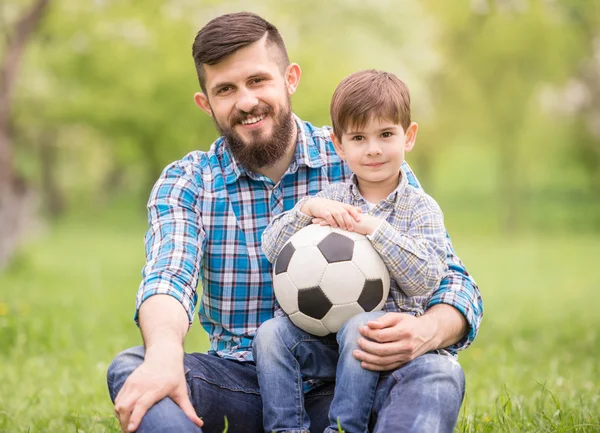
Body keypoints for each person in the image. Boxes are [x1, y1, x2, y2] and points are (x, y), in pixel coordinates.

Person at [106, 11, 483, 433]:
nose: (246, 101)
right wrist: (162, 355)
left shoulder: (362, 154)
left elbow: (453, 280)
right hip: (244, 386)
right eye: (225, 89)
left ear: (290, 79)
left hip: (356, 375)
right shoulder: (189, 182)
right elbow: (168, 277)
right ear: (206, 103)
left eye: (258, 80)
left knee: (437, 374)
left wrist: (427, 331)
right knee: (135, 366)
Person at [254, 69, 451, 433]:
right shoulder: (331, 198)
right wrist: (305, 211)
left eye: (386, 134)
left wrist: (375, 230)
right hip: (326, 343)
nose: (373, 148)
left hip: (387, 350)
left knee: (362, 325)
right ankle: (285, 428)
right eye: (359, 137)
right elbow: (271, 248)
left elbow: (426, 280)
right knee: (270, 334)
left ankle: (345, 427)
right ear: (338, 145)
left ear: (408, 137)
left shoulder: (420, 208)